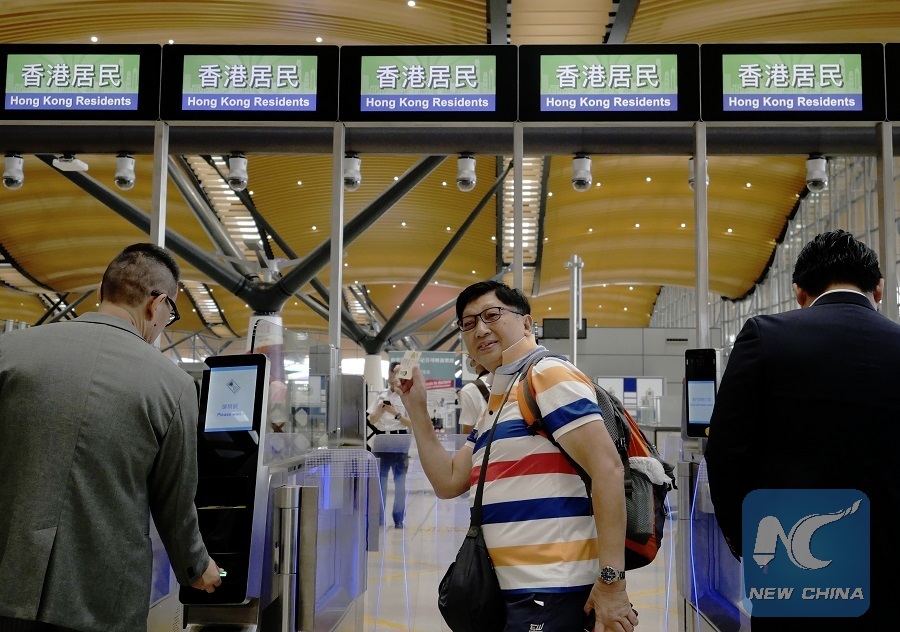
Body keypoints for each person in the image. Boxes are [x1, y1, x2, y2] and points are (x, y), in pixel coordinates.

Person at [0, 243, 221, 632]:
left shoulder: (9, 351)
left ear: (104, 292)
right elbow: (174, 502)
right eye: (170, 313)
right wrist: (197, 565)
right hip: (99, 604)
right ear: (157, 304)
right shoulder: (172, 385)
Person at [396, 280, 639, 632]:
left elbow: (608, 471)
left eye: (492, 315)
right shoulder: (499, 398)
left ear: (526, 323)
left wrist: (612, 583)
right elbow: (448, 482)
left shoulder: (548, 374)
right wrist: (417, 409)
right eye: (468, 323)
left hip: (552, 586)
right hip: (509, 589)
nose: (480, 329)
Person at [705, 230, 897, 630]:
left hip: (798, 549)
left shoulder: (766, 336)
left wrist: (747, 537)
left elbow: (726, 451)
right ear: (878, 288)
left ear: (799, 292)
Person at [367, 361, 412, 529]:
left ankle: (398, 519)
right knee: (381, 481)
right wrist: (380, 410)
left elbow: (412, 423)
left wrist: (396, 413)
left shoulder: (406, 397)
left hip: (400, 440)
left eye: (397, 376)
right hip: (382, 440)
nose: (395, 380)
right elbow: (372, 420)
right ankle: (379, 517)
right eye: (392, 375)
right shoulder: (380, 395)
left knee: (400, 482)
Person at [457, 362, 492, 435]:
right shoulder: (511, 382)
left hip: (483, 439)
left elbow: (468, 430)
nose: (470, 363)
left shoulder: (469, 389)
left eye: (472, 358)